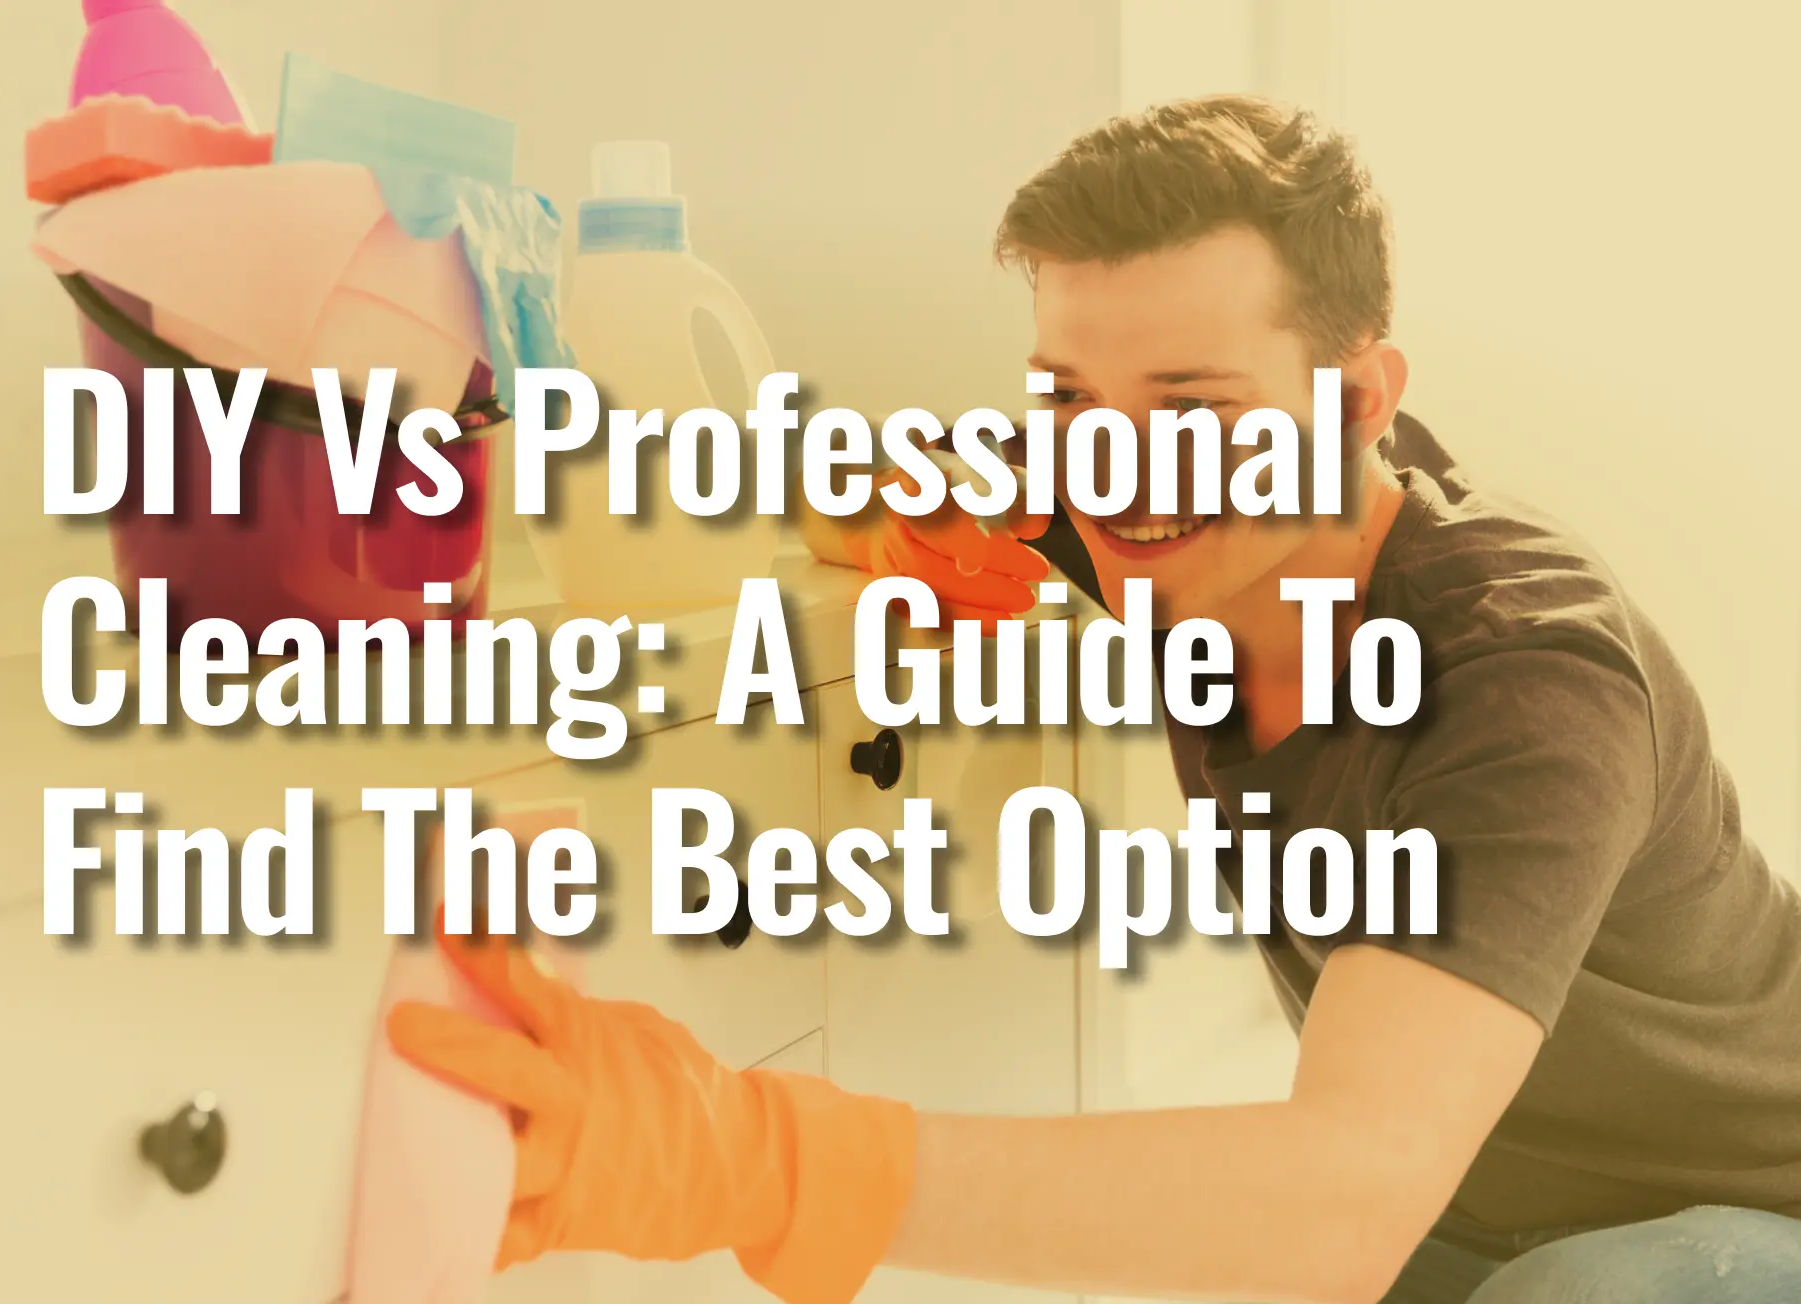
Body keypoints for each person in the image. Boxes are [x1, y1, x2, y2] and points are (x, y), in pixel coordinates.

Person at [385, 96, 1801, 1303]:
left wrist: (762, 1155)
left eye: (1189, 409)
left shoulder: (1521, 677)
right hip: (1475, 1206)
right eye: (1069, 399)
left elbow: (1342, 1193)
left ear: (1358, 402)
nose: (1111, 475)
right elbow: (882, 477)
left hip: (1740, 1218)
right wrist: (886, 518)